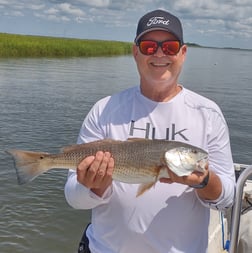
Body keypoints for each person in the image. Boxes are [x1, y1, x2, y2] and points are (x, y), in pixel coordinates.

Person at [64, 9, 235, 253]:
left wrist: (206, 181)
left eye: (170, 46)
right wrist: (94, 187)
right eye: (149, 46)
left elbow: (228, 198)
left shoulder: (208, 113)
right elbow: (73, 197)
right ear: (135, 52)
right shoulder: (104, 109)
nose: (160, 54)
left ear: (183, 53)